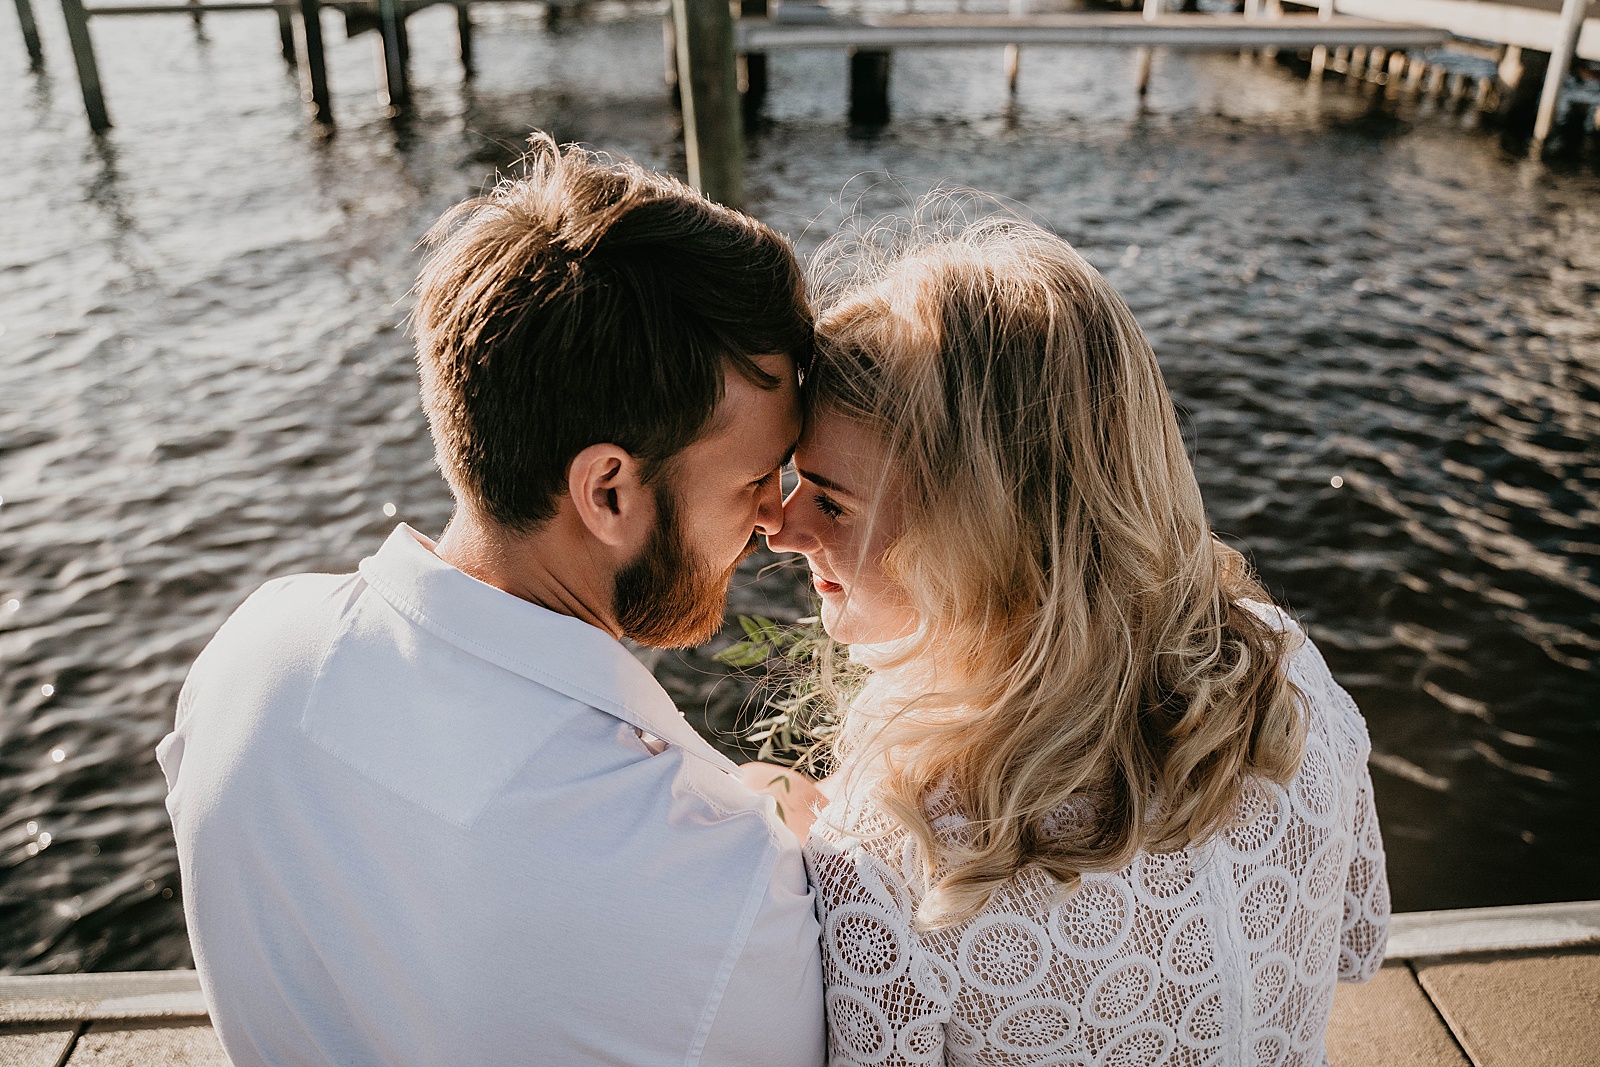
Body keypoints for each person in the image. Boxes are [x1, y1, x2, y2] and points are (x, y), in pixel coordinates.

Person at [156, 137, 825, 1067]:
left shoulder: (247, 659)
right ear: (609, 492)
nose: (772, 518)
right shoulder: (718, 901)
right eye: (755, 477)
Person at [761, 214, 1390, 1066]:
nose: (779, 525)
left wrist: (783, 830)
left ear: (983, 541)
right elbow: (1355, 943)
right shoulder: (1287, 674)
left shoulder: (891, 860)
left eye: (831, 500)